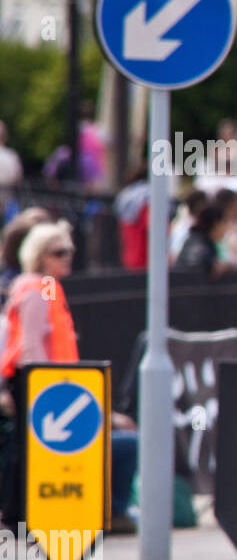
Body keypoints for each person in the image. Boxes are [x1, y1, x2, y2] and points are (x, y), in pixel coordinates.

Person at [0, 222, 139, 533]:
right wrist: (46, 381)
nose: (68, 257)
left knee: (36, 449)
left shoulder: (46, 286)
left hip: (51, 381)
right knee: (32, 450)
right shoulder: (35, 289)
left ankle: (29, 515)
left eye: (70, 251)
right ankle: (20, 515)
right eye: (59, 252)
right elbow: (33, 343)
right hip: (40, 381)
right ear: (40, 255)